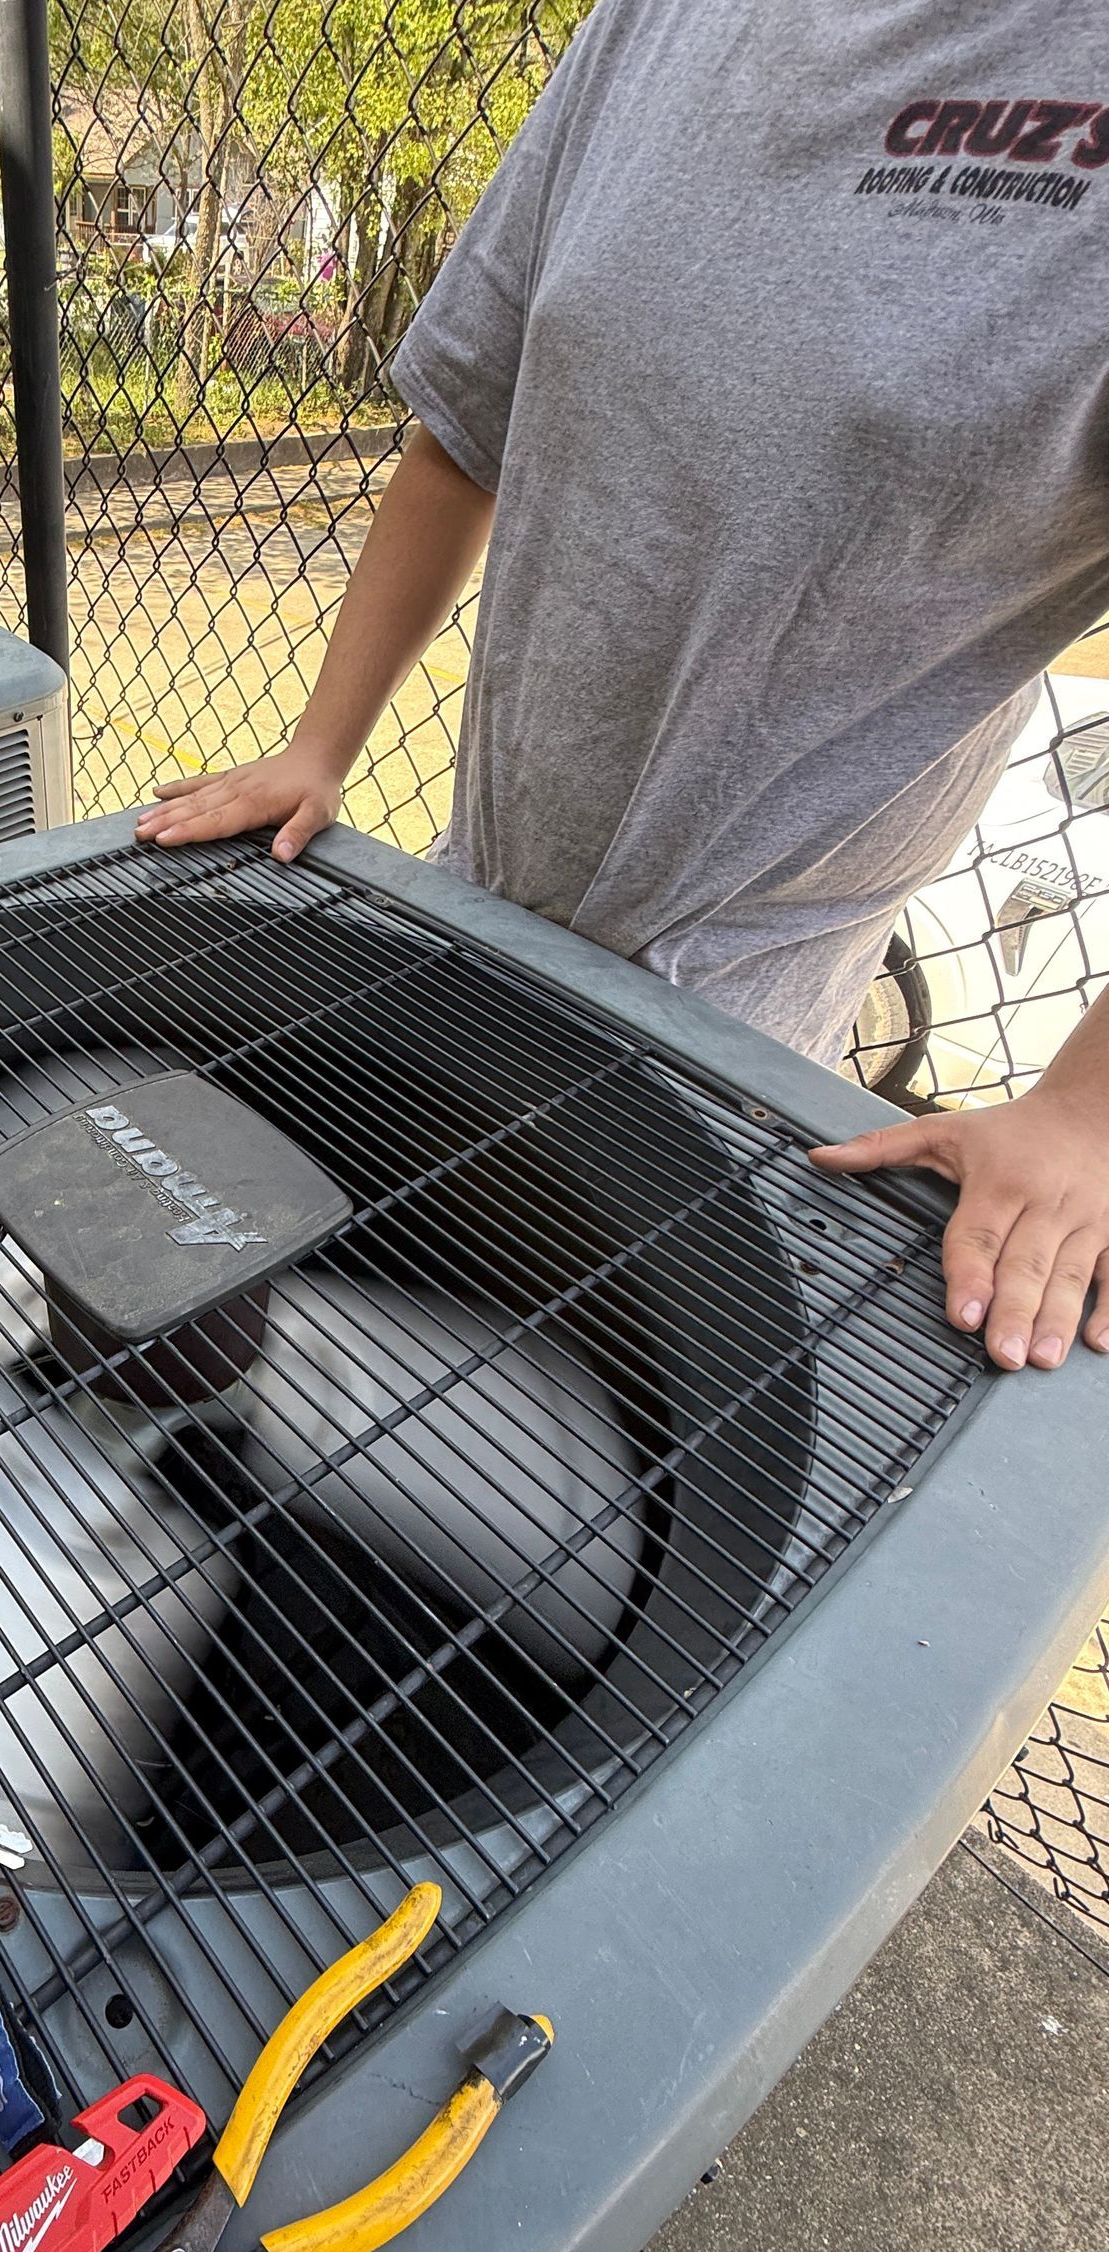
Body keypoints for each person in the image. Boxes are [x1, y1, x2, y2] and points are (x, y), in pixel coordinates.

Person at [137, 0, 1109, 1373]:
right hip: (471, 915)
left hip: (741, 1028)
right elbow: (469, 420)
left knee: (575, 1420)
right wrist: (319, 740)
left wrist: (1087, 1111)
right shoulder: (653, 24)